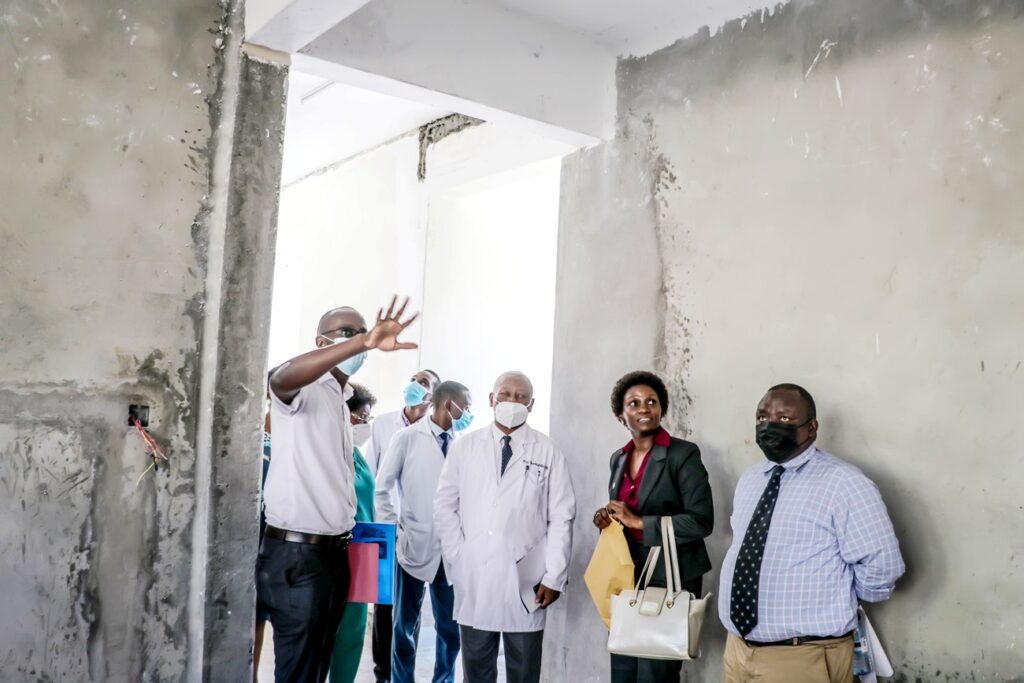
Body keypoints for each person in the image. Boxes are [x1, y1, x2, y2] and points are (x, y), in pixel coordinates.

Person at [256, 297, 418, 683]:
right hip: (298, 555)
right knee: (299, 670)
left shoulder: (342, 401)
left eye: (361, 332)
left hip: (333, 553)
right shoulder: (305, 389)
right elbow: (279, 377)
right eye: (346, 332)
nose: (359, 339)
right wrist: (363, 343)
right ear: (320, 342)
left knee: (318, 663)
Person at [720, 383, 905, 683]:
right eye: (762, 417)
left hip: (804, 657)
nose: (769, 425)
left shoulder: (843, 482)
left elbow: (883, 567)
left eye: (784, 418)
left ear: (811, 428)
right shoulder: (751, 480)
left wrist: (836, 597)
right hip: (738, 650)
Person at [434, 371, 576, 683]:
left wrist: (554, 576)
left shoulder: (547, 450)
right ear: (491, 399)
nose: (513, 401)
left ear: (532, 404)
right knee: (477, 668)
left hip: (527, 579)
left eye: (522, 396)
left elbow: (562, 517)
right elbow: (445, 505)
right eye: (506, 394)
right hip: (475, 574)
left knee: (524, 669)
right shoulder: (465, 447)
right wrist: (458, 555)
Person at [593, 370, 714, 683]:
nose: (644, 408)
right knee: (622, 667)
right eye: (633, 403)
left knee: (654, 673)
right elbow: (623, 513)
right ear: (621, 415)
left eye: (651, 402)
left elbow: (702, 521)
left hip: (670, 574)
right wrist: (607, 517)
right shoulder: (617, 459)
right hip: (627, 574)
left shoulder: (683, 454)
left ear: (662, 409)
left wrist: (638, 521)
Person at [376, 381, 473, 683]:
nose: (469, 413)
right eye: (466, 406)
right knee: (404, 627)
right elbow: (382, 489)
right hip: (412, 545)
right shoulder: (406, 438)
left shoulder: (465, 443)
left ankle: (442, 679)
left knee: (450, 627)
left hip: (451, 550)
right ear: (449, 405)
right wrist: (395, 531)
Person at [365, 368, 440, 683]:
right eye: (414, 378)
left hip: (418, 528)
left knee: (411, 606)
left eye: (424, 382)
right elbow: (371, 473)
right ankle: (383, 668)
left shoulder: (434, 430)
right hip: (385, 524)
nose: (415, 384)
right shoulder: (383, 424)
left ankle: (402, 669)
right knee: (385, 602)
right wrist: (376, 525)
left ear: (432, 395)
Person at [329, 383, 379, 683]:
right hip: (332, 551)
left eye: (367, 419)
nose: (364, 424)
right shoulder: (327, 453)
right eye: (361, 417)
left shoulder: (357, 454)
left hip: (362, 552)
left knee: (353, 632)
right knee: (325, 632)